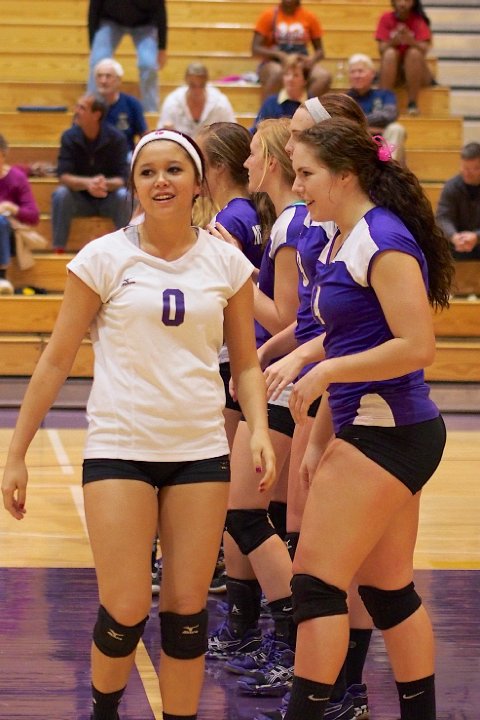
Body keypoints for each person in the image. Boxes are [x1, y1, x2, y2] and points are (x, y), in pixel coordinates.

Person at [2, 128, 276, 720]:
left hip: (199, 451)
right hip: (120, 449)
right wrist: (16, 452)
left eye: (174, 169)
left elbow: (247, 363)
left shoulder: (227, 262)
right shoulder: (102, 258)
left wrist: (257, 427)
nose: (161, 181)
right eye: (148, 172)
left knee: (186, 613)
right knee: (125, 608)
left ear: (198, 182)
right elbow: (55, 360)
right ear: (134, 183)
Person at [280, 117, 452, 720]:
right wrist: (317, 440)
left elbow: (418, 346)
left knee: (316, 585)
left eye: (306, 174)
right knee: (386, 590)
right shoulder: (343, 237)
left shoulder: (381, 239)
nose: (297, 186)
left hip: (391, 429)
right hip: (378, 427)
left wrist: (324, 370)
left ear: (346, 175)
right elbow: (352, 337)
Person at [206, 118, 305, 699]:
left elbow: (288, 318)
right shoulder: (287, 219)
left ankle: (292, 641)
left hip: (286, 380)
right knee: (255, 512)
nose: (246, 163)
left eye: (254, 154)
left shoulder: (289, 222)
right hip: (273, 373)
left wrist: (234, 267)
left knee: (247, 512)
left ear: (270, 162)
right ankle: (260, 634)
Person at [51, 94, 130, 254]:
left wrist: (103, 184)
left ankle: (127, 249)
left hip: (109, 199)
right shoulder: (69, 137)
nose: (76, 111)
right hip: (80, 200)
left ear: (96, 114)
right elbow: (63, 175)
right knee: (61, 194)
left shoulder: (117, 139)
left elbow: (122, 179)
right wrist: (88, 184)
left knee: (124, 196)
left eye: (82, 108)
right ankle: (58, 249)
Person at [87, 0, 167, 112]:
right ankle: (92, 109)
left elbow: (160, 10)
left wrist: (162, 48)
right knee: (98, 59)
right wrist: (93, 45)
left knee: (148, 64)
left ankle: (151, 112)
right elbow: (94, 7)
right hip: (110, 21)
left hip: (145, 24)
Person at [252, 0, 331, 101]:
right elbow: (255, 49)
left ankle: (305, 108)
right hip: (274, 61)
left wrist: (311, 60)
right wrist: (279, 55)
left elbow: (320, 51)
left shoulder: (309, 16)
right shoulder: (268, 15)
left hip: (300, 61)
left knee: (323, 76)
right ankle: (268, 109)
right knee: (277, 73)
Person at [375, 0, 434, 116]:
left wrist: (411, 41)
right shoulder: (386, 18)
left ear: (413, 2)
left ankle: (412, 103)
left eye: (407, 0)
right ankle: (383, 103)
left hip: (417, 73)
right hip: (394, 71)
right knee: (389, 53)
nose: (402, 3)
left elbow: (424, 50)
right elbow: (381, 49)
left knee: (414, 53)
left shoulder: (419, 20)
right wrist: (393, 42)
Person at [347, 52, 406, 165]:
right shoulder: (345, 99)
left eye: (360, 71)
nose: (357, 75)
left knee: (396, 128)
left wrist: (360, 123)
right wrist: (375, 129)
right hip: (357, 145)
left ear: (372, 74)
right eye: (353, 72)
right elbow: (344, 123)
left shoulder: (385, 95)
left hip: (384, 143)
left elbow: (389, 116)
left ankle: (389, 168)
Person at [0, 134, 40, 295]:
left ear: (3, 155)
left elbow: (33, 216)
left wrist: (11, 208)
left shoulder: (16, 178)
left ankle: (1, 275)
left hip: (8, 234)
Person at [157, 63, 237, 138]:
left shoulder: (220, 103)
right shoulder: (172, 102)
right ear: (186, 81)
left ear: (206, 82)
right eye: (192, 85)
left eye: (202, 85)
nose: (197, 90)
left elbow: (233, 133)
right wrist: (167, 132)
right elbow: (160, 134)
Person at [436, 141, 480, 261]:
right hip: (457, 244)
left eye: (475, 168)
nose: (468, 173)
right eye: (465, 168)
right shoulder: (451, 186)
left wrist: (476, 236)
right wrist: (454, 236)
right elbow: (443, 217)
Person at [93, 58, 148, 155]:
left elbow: (144, 136)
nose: (103, 81)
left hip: (125, 156)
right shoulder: (87, 105)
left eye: (108, 76)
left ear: (119, 80)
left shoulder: (132, 104)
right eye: (99, 76)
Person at [252, 54, 309, 133]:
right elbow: (256, 129)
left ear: (305, 80)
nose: (290, 79)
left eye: (296, 75)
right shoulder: (271, 102)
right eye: (287, 74)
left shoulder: (312, 104)